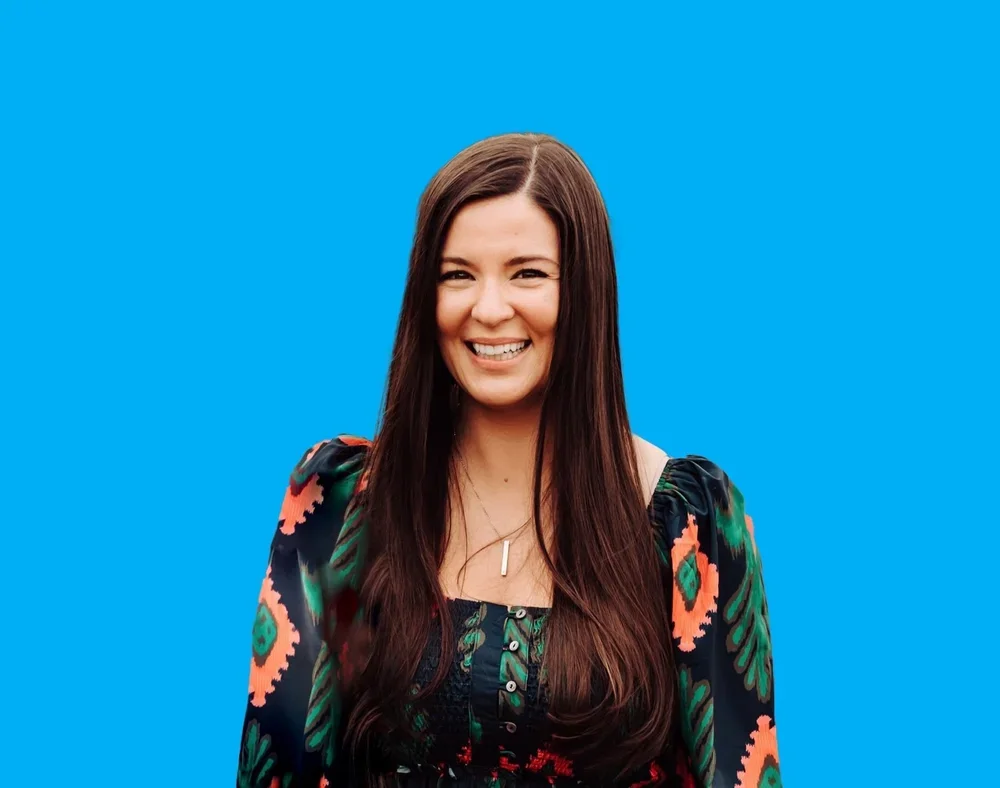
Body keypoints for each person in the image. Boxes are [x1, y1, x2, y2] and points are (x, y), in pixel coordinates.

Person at [236, 132, 781, 788]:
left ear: (585, 291)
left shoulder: (688, 524)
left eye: (527, 273)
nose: (488, 309)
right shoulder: (339, 506)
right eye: (457, 274)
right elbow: (278, 768)